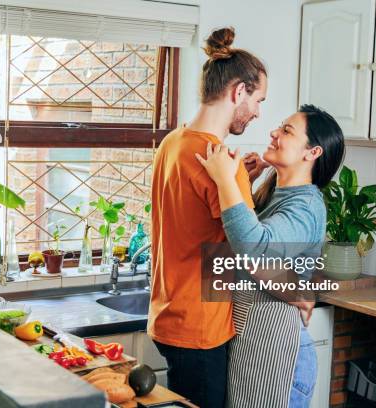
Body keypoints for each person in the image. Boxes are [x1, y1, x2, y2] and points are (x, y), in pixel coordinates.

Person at [147, 26, 268, 408]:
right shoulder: (221, 164)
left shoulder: (175, 141)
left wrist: (240, 181)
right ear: (238, 92)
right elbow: (252, 251)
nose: (258, 113)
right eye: (258, 100)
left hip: (167, 315)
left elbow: (193, 215)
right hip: (200, 326)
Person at [196, 104, 345, 407]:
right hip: (256, 342)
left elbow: (256, 250)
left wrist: (226, 180)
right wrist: (244, 185)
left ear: (312, 152)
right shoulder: (278, 194)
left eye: (287, 131)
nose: (274, 133)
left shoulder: (305, 207)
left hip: (279, 352)